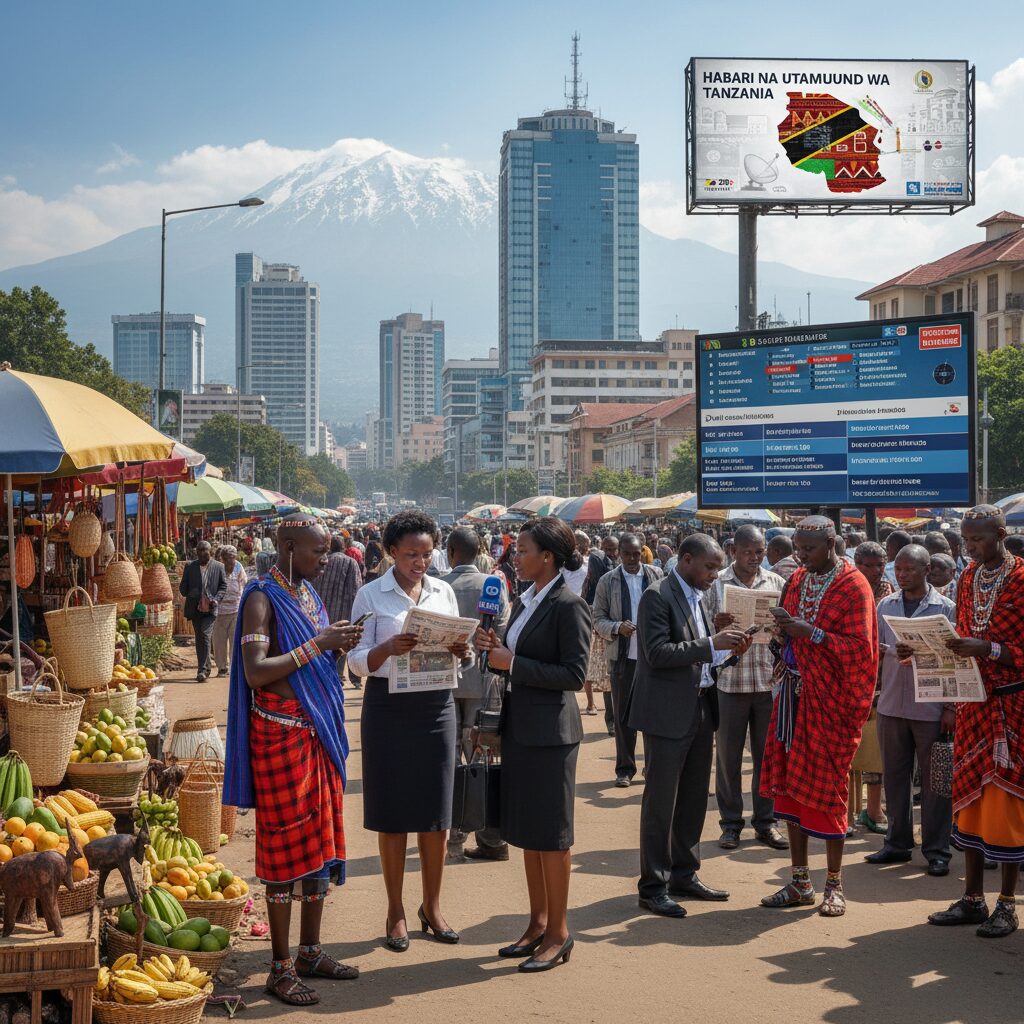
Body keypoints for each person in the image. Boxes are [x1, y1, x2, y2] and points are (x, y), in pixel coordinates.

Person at [223, 515, 364, 1006]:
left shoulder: (308, 595)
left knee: (319, 844)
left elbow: (311, 664)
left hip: (316, 734)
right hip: (280, 738)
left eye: (326, 551)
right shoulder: (261, 598)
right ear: (287, 547)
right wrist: (319, 645)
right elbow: (256, 671)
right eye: (317, 551)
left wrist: (336, 646)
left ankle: (310, 952)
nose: (325, 560)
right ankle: (280, 968)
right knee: (284, 853)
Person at [347, 511, 469, 952]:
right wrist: (386, 648)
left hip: (436, 707)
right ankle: (395, 910)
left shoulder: (444, 591)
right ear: (391, 552)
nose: (420, 562)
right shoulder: (370, 594)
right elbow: (354, 660)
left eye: (427, 553)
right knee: (394, 812)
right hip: (388, 709)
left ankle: (432, 907)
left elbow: (464, 652)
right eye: (411, 554)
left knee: (436, 815)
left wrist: (463, 650)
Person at [474, 517, 591, 972]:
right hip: (520, 727)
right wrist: (493, 649)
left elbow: (574, 674)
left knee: (553, 836)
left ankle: (559, 933)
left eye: (522, 550)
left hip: (552, 736)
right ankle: (538, 923)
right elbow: (512, 659)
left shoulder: (569, 605)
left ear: (548, 556)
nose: (514, 557)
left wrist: (514, 662)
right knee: (528, 833)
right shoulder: (525, 599)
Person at [760, 516, 878, 917]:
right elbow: (788, 634)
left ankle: (834, 885)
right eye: (798, 548)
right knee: (790, 789)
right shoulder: (797, 579)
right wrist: (781, 634)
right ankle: (800, 882)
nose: (801, 555)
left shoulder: (853, 585)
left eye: (808, 549)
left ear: (831, 544)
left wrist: (810, 633)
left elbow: (861, 650)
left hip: (831, 705)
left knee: (829, 792)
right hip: (793, 698)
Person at [628, 534, 749, 918]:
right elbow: (657, 653)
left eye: (717, 568)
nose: (714, 574)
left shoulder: (698, 596)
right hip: (666, 714)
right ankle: (653, 887)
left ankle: (684, 873)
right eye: (710, 567)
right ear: (685, 560)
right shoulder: (657, 596)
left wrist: (728, 654)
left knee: (694, 798)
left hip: (700, 707)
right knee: (661, 802)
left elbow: (700, 660)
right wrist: (713, 643)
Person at [928, 505, 1024, 939]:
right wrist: (926, 653)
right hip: (972, 704)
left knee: (1007, 806)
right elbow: (961, 638)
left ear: (1001, 535)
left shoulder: (1022, 579)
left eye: (977, 539)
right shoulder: (967, 577)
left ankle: (1007, 904)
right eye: (965, 539)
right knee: (968, 802)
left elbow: (1001, 647)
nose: (969, 547)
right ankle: (972, 898)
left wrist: (989, 649)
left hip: (1011, 707)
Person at [867, 544, 955, 876]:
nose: (902, 575)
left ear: (927, 570)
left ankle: (937, 850)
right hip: (891, 704)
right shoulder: (885, 606)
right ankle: (897, 843)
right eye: (899, 569)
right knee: (894, 777)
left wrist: (951, 707)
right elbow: (874, 649)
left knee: (935, 784)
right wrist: (889, 654)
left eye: (909, 569)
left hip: (931, 708)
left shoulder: (945, 608)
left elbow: (955, 660)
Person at [705, 525, 788, 850]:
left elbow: (787, 631)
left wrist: (780, 628)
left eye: (760, 552)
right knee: (728, 759)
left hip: (767, 683)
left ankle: (766, 823)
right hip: (730, 683)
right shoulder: (717, 584)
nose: (755, 558)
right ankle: (730, 824)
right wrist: (716, 625)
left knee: (767, 758)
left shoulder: (776, 583)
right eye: (748, 552)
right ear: (733, 551)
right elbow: (702, 628)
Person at [443, 527, 511, 863]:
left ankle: (455, 833)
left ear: (450, 552)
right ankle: (491, 836)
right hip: (485, 682)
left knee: (452, 757)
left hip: (447, 683)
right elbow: (502, 633)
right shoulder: (493, 585)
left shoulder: (438, 585)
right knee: (484, 757)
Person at [592, 533, 662, 787]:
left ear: (642, 552)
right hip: (623, 659)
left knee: (653, 716)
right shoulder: (607, 581)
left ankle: (653, 767)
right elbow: (597, 619)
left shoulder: (656, 575)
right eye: (627, 554)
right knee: (623, 717)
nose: (632, 559)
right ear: (619, 554)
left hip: (653, 658)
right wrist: (616, 627)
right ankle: (625, 769)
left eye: (636, 554)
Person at [852, 539, 894, 833]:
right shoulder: (849, 590)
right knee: (849, 751)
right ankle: (845, 813)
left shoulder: (889, 595)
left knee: (876, 752)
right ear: (857, 565)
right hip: (852, 681)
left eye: (879, 565)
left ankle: (874, 810)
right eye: (868, 565)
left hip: (882, 682)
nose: (875, 571)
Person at [310, 534, 362, 688]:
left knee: (324, 644)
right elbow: (355, 590)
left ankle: (328, 674)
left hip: (321, 613)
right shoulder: (350, 562)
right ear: (343, 547)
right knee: (343, 643)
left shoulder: (322, 562)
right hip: (343, 613)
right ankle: (340, 675)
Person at [179, 540, 227, 682]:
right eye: (199, 552)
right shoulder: (190, 567)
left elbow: (223, 586)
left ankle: (203, 670)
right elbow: (183, 588)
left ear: (210, 552)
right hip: (195, 609)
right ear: (196, 553)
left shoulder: (219, 567)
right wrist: (193, 593)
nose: (202, 555)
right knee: (199, 637)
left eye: (205, 552)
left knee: (205, 634)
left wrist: (216, 599)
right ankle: (205, 667)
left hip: (211, 609)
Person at [212, 545, 247, 678]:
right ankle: (222, 668)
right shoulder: (216, 569)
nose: (230, 561)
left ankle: (234, 668)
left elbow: (244, 583)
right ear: (222, 558)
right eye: (227, 558)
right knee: (219, 642)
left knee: (235, 641)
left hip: (235, 610)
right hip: (219, 612)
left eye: (232, 558)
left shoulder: (238, 567)